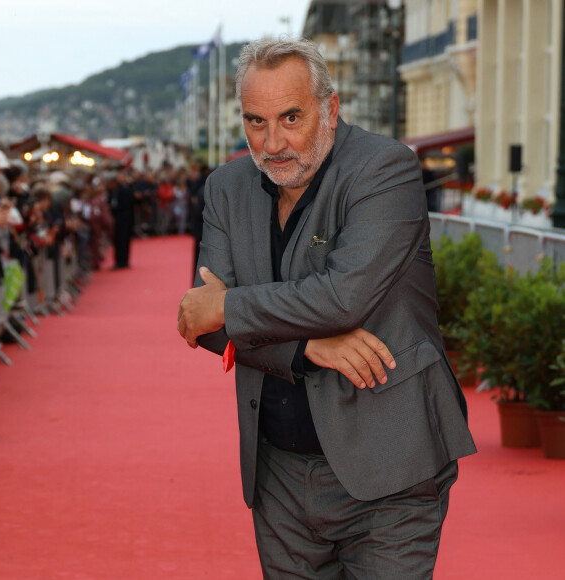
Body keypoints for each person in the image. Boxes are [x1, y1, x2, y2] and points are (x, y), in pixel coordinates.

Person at [177, 38, 476, 579]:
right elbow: (206, 323)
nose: (273, 143)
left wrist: (231, 309)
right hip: (278, 475)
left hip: (392, 469)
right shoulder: (225, 187)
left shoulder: (386, 170)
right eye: (255, 121)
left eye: (291, 117)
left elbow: (344, 298)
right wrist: (307, 346)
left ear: (330, 109)